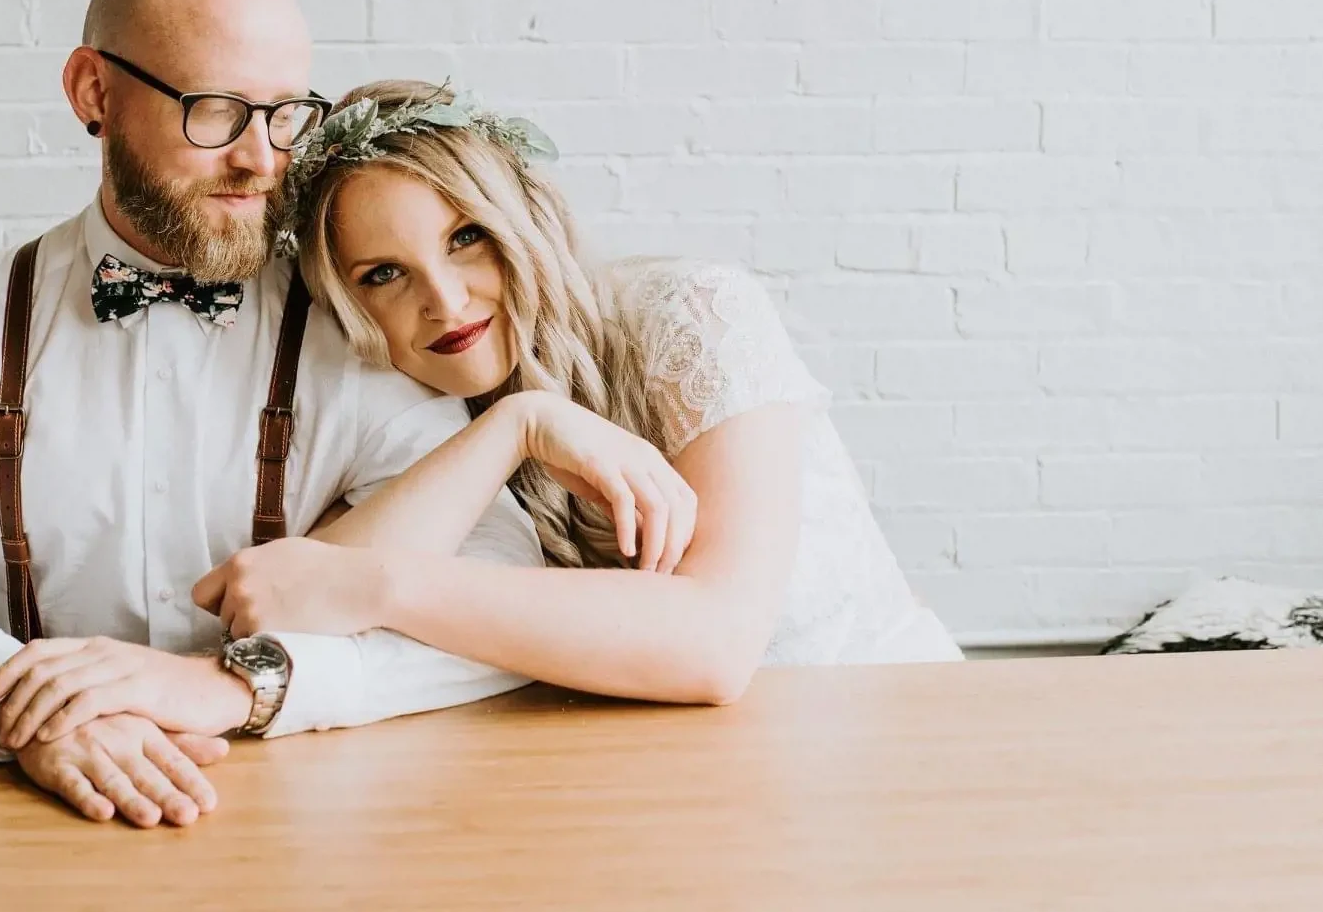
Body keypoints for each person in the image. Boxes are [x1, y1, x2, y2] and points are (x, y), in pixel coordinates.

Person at [0, 0, 539, 831]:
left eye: (286, 113)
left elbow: (496, 589)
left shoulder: (354, 312)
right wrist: (39, 711)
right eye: (216, 111)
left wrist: (235, 687)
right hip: (27, 824)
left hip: (317, 825)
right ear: (92, 94)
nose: (263, 159)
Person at [187, 80, 962, 707]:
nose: (446, 302)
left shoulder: (691, 313)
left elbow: (717, 646)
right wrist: (516, 427)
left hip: (890, 731)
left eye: (466, 237)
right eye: (383, 275)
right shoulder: (419, 416)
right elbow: (282, 600)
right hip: (673, 784)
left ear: (519, 219)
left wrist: (381, 584)